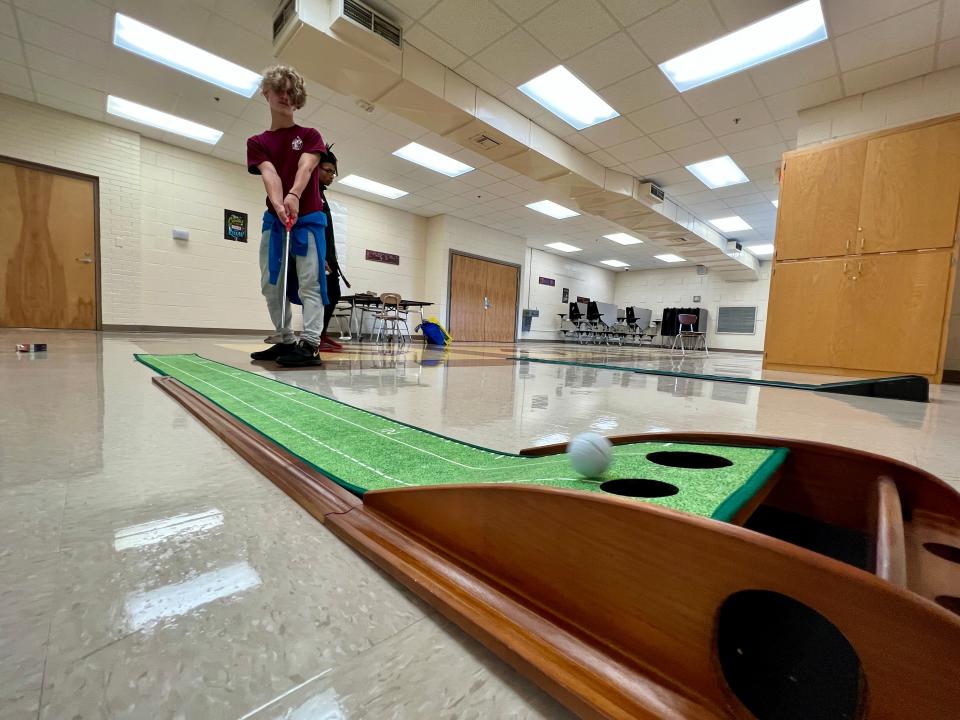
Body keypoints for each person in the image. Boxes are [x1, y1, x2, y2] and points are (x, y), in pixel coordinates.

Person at [246, 64, 329, 367]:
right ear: (265, 92)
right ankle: (284, 339)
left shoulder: (309, 135)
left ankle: (310, 345)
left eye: (291, 92)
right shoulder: (257, 142)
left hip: (308, 220)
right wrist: (279, 204)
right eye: (279, 89)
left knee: (310, 282)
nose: (285, 96)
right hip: (275, 221)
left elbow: (305, 168)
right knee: (271, 283)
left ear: (298, 99)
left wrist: (294, 195)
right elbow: (269, 173)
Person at [315, 147, 351, 353]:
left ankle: (321, 333)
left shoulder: (321, 194)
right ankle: (315, 335)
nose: (331, 176)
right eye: (327, 170)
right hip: (319, 255)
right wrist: (320, 256)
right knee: (321, 296)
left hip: (328, 255)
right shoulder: (311, 192)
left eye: (333, 172)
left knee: (333, 293)